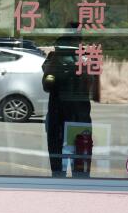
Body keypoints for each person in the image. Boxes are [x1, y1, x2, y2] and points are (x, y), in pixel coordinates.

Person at [42, 24, 98, 177]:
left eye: (76, 37)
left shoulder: (88, 58)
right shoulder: (55, 58)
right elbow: (47, 85)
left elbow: (96, 93)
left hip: (78, 117)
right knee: (58, 167)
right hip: (59, 115)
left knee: (80, 168)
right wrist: (56, 68)